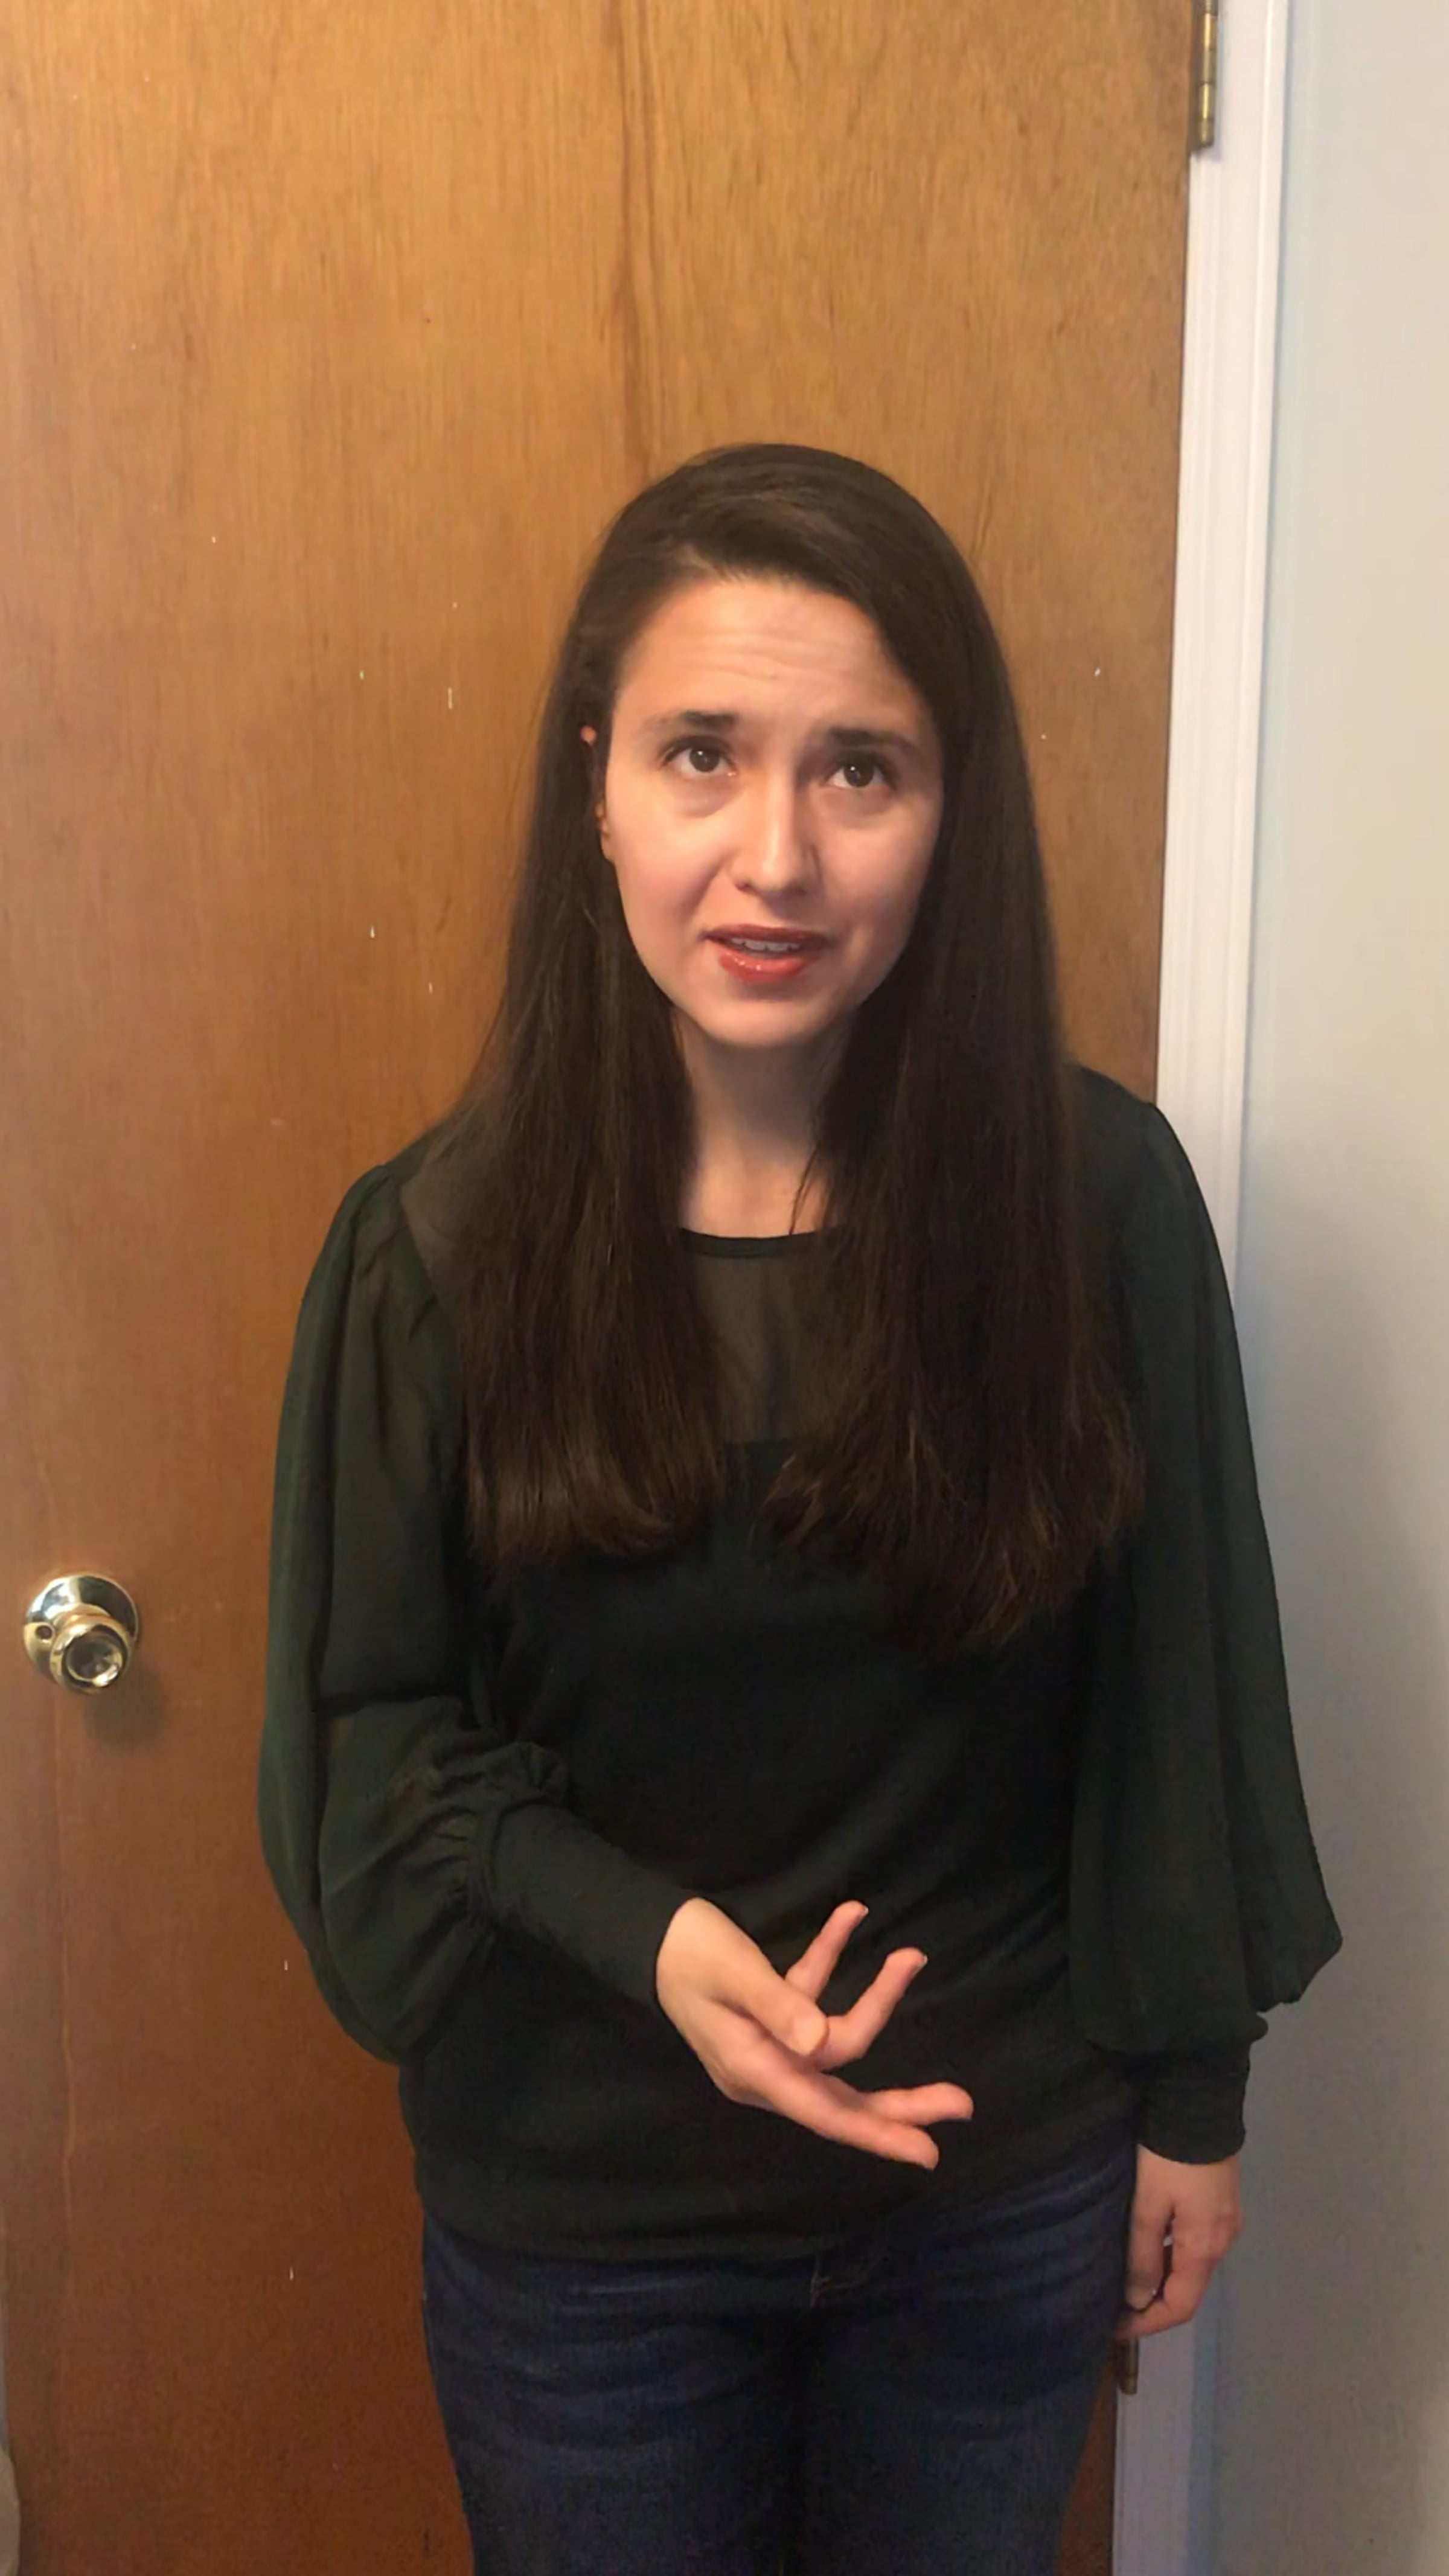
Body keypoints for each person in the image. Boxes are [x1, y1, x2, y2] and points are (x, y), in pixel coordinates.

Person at [258, 443, 1340, 2576]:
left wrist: (1194, 2106)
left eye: (861, 768)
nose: (776, 855)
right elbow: (374, 1747)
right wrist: (654, 1940)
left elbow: (1174, 1689)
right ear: (596, 783)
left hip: (993, 2197)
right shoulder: (433, 1257)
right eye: (703, 753)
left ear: (956, 811)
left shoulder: (1095, 1208)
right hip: (590, 2235)